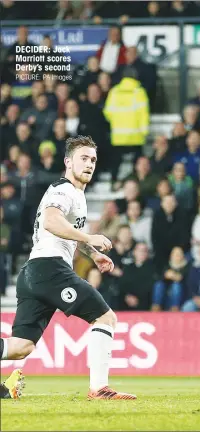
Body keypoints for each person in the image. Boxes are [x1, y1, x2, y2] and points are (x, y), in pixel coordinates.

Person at [0, 135, 136, 400]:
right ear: (67, 162)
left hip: (32, 273)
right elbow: (52, 221)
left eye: (93, 160)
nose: (89, 164)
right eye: (83, 158)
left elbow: (66, 232)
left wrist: (92, 254)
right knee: (106, 318)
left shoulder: (77, 195)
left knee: (20, 347)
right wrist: (89, 238)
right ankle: (99, 388)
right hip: (49, 269)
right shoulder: (64, 190)